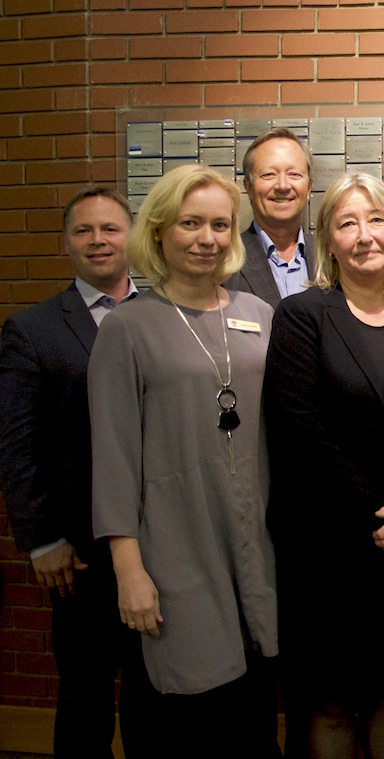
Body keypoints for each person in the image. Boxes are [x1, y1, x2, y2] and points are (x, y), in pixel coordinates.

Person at [264, 172, 384, 759]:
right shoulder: (304, 315)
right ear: (328, 238)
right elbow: (302, 431)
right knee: (332, 700)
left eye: (377, 220)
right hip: (332, 546)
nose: (365, 235)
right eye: (347, 223)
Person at [88, 165, 279, 756]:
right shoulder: (127, 328)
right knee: (186, 712)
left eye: (221, 225)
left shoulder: (260, 315)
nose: (208, 238)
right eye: (190, 224)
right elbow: (113, 457)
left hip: (256, 540)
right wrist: (129, 571)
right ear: (161, 232)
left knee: (252, 710)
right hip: (176, 544)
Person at [0, 187, 140, 758]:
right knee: (84, 696)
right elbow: (16, 444)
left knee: (153, 695)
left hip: (161, 540)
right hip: (78, 551)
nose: (98, 240)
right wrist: (41, 540)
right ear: (66, 244)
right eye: (84, 231)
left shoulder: (168, 317)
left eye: (110, 228)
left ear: (133, 236)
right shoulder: (32, 330)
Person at [225, 126, 316, 306]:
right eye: (269, 174)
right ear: (248, 187)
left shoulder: (332, 256)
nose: (282, 185)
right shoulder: (224, 259)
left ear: (309, 188)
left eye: (294, 174)